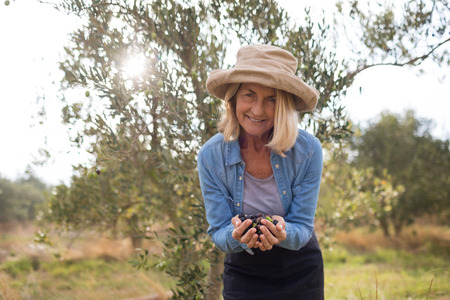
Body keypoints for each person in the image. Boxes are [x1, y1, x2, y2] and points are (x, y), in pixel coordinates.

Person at [197, 44, 324, 300]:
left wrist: (282, 231)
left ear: (285, 105)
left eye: (272, 99)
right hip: (244, 272)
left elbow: (302, 226)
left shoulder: (308, 150)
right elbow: (219, 231)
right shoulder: (211, 156)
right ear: (233, 99)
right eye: (249, 95)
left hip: (301, 269)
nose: (257, 109)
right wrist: (237, 236)